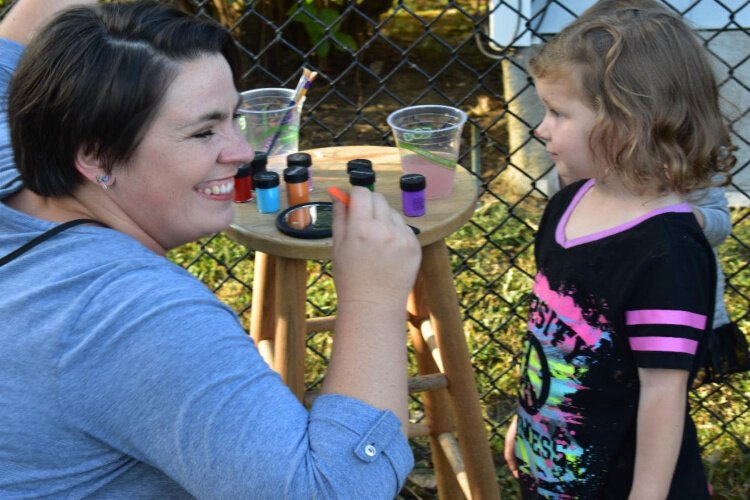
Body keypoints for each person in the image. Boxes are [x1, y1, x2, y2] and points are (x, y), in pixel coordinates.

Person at [0, 1, 421, 497]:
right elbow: (334, 491)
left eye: (234, 119)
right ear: (94, 154)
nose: (244, 152)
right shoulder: (135, 315)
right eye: (204, 131)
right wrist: (374, 298)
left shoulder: (22, 161)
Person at [502, 0, 734, 498]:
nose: (540, 129)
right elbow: (551, 340)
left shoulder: (667, 251)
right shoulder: (566, 205)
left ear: (627, 123)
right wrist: (529, 423)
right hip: (553, 465)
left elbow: (663, 392)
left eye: (559, 113)